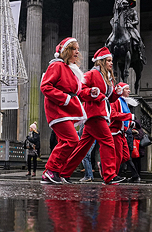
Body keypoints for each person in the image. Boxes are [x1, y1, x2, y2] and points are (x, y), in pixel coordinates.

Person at [59, 47, 124, 185]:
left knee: (82, 147)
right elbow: (80, 90)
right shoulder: (91, 74)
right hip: (94, 115)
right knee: (108, 142)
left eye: (111, 60)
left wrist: (116, 93)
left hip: (99, 115)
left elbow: (109, 99)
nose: (111, 63)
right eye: (108, 60)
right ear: (100, 61)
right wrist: (92, 93)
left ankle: (63, 173)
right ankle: (109, 175)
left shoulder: (108, 78)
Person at [40, 37, 87, 184]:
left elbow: (77, 91)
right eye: (73, 48)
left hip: (66, 110)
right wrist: (65, 99)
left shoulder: (70, 70)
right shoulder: (57, 66)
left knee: (67, 141)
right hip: (57, 110)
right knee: (72, 140)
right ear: (66, 51)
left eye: (77, 49)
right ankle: (51, 171)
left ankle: (56, 173)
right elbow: (45, 87)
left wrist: (92, 93)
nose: (77, 52)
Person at [109, 82, 138, 182]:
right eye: (127, 89)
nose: (129, 91)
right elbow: (113, 115)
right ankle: (113, 175)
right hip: (115, 131)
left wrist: (130, 124)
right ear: (121, 90)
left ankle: (113, 172)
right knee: (118, 155)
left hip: (122, 132)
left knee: (125, 156)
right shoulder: (115, 100)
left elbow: (124, 116)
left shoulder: (124, 102)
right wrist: (130, 117)